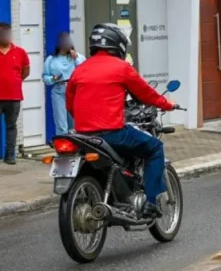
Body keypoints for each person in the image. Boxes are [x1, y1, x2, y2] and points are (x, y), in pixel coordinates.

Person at [66, 23, 175, 216]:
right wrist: (167, 104)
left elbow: (70, 103)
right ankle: (150, 203)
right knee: (154, 147)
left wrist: (86, 122)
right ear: (118, 45)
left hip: (83, 135)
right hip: (112, 134)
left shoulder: (80, 70)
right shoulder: (122, 67)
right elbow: (146, 94)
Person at [43, 32, 86, 137]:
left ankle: (76, 145)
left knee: (75, 121)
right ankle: (63, 146)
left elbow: (84, 70)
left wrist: (76, 58)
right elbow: (45, 77)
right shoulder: (51, 59)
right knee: (61, 121)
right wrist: (53, 78)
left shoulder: (77, 57)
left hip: (74, 89)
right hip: (58, 89)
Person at [0, 22, 30, 165]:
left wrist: (15, 82)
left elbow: (26, 71)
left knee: (11, 126)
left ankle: (10, 155)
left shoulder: (20, 52)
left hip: (13, 97)